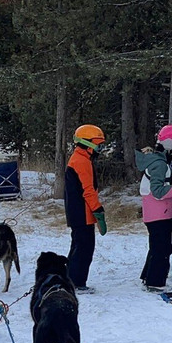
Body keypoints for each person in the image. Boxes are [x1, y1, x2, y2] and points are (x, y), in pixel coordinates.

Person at [136, 124, 172, 291]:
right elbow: (158, 191)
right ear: (171, 146)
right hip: (159, 215)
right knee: (162, 249)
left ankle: (148, 276)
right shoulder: (159, 164)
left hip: (159, 214)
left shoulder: (158, 162)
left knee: (158, 246)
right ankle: (155, 283)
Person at [64, 124, 107, 292]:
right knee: (84, 248)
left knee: (78, 246)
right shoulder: (82, 161)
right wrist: (98, 210)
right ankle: (76, 283)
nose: (100, 149)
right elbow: (88, 190)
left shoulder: (79, 157)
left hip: (78, 212)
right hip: (82, 213)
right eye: (98, 145)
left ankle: (70, 280)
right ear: (88, 143)